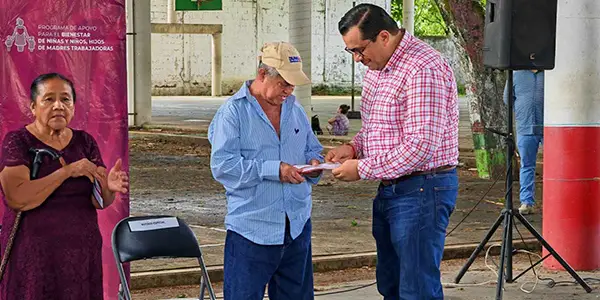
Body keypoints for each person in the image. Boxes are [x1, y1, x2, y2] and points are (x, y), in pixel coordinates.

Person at [327, 4, 460, 299]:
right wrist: (353, 148)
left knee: (416, 288)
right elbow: (375, 127)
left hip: (423, 188)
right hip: (391, 188)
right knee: (391, 283)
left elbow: (421, 147)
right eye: (351, 52)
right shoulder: (377, 68)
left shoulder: (424, 68)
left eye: (360, 50)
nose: (358, 59)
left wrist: (361, 169)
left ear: (384, 37)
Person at [208, 41, 324, 300]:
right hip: (252, 231)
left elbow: (312, 150)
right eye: (284, 83)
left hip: (296, 226)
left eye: (293, 84)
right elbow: (223, 167)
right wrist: (275, 170)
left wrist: (315, 165)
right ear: (262, 74)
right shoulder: (232, 113)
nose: (289, 90)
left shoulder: (295, 109)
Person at [0, 73, 129, 299]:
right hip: (34, 256)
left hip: (81, 255)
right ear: (33, 106)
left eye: (66, 99)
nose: (58, 106)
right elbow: (17, 197)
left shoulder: (85, 142)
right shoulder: (17, 142)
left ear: (74, 106)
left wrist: (108, 188)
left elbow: (99, 202)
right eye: (49, 99)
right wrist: (67, 171)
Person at [503, 70, 544, 215]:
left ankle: (557, 202)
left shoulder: (549, 73)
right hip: (525, 127)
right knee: (527, 165)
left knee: (556, 166)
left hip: (550, 127)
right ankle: (527, 202)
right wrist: (522, 112)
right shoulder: (516, 74)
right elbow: (508, 99)